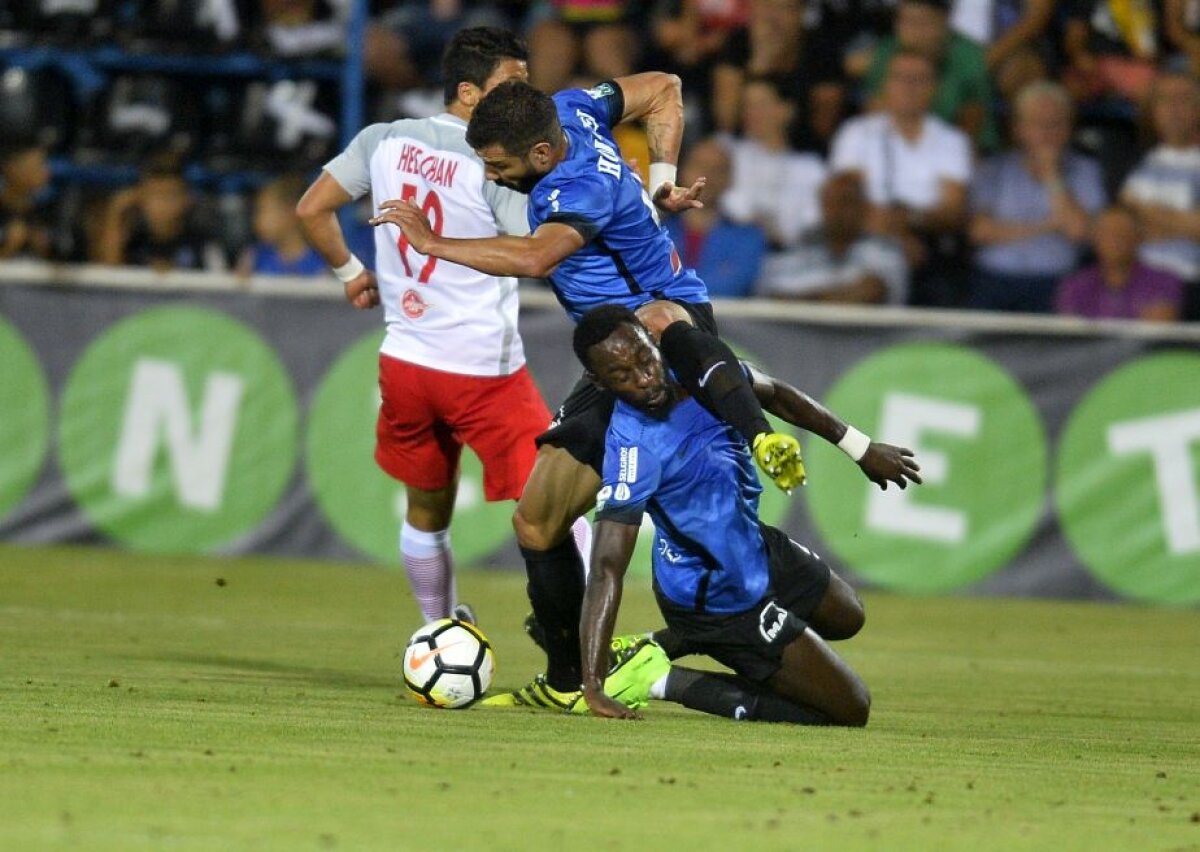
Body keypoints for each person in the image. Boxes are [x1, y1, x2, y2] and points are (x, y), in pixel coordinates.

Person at [374, 73, 806, 711]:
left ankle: (614, 671)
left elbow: (535, 257)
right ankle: (576, 677)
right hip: (622, 344)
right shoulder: (573, 107)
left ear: (541, 156)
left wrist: (433, 243)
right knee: (540, 522)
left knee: (580, 521)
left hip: (652, 347)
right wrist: (662, 175)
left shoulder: (580, 188)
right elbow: (664, 86)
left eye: (498, 165)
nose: (491, 177)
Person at [295, 27, 568, 629]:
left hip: (406, 364)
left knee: (427, 510)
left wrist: (350, 272)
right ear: (470, 93)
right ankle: (575, 641)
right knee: (561, 505)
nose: (525, 97)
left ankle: (438, 629)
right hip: (483, 372)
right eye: (512, 85)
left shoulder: (384, 139)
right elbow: (536, 247)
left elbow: (311, 208)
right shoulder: (491, 164)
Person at [572, 305, 922, 723]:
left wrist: (861, 449)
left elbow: (777, 394)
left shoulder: (698, 373)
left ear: (653, 343)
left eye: (645, 360)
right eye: (622, 377)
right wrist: (592, 684)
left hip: (753, 546)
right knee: (850, 709)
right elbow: (607, 566)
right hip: (718, 597)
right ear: (599, 382)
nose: (645, 379)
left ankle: (673, 641)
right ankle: (658, 677)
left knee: (848, 616)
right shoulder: (634, 449)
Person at [829, 49, 971, 306]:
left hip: (928, 248)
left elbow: (952, 212)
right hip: (865, 242)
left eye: (918, 80)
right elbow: (847, 201)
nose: (908, 87)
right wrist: (898, 237)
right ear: (886, 85)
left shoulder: (952, 141)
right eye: (900, 78)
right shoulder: (856, 133)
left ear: (934, 88)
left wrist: (908, 221)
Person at [967, 81, 1106, 314]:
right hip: (994, 278)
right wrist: (1049, 225)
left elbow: (1079, 232)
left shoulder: (1085, 170)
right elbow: (980, 232)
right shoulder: (995, 168)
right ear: (1019, 129)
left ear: (1069, 129)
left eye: (1056, 124)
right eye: (1037, 124)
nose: (1047, 133)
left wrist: (1053, 178)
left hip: (1056, 279)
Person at [861, 0, 998, 152]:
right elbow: (874, 110)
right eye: (905, 21)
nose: (913, 31)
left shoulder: (969, 55)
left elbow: (972, 119)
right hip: (893, 151)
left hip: (959, 152)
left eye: (922, 22)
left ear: (944, 22)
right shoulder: (887, 51)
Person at [1119, 70, 1200, 321]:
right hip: (1137, 285)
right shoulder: (1140, 162)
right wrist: (1181, 223)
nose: (1173, 109)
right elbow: (1122, 228)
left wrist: (1146, 213)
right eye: (1164, 100)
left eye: (1183, 99)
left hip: (1190, 285)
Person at [756, 172, 908, 304]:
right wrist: (830, 297)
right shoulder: (803, 246)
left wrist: (802, 300)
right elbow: (772, 294)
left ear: (864, 208)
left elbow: (870, 294)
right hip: (802, 336)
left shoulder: (886, 249)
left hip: (868, 336)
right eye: (829, 203)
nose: (837, 210)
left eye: (845, 202)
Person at [720, 76, 827, 249]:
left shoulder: (811, 168)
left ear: (786, 110)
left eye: (760, 104)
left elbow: (813, 223)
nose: (750, 112)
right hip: (732, 252)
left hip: (793, 259)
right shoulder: (726, 153)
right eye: (746, 105)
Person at [663, 137, 767, 298]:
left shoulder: (748, 238)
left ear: (730, 179)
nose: (706, 177)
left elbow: (733, 287)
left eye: (718, 169)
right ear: (681, 171)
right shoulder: (654, 233)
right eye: (699, 166)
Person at [94, 151, 224, 272]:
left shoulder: (204, 244)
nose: (163, 205)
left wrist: (173, 275)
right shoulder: (133, 240)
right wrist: (116, 211)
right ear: (141, 199)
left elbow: (221, 284)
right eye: (155, 196)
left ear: (186, 200)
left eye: (170, 196)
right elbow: (108, 272)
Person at [1055, 205, 1184, 322]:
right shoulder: (1076, 285)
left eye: (1122, 234)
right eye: (1107, 234)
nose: (1115, 242)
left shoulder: (1163, 281)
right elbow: (1071, 333)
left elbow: (1158, 329)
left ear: (1138, 238)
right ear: (1095, 239)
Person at [239, 175, 326, 277]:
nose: (257, 220)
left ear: (290, 215)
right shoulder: (254, 257)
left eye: (263, 211)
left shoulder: (323, 261)